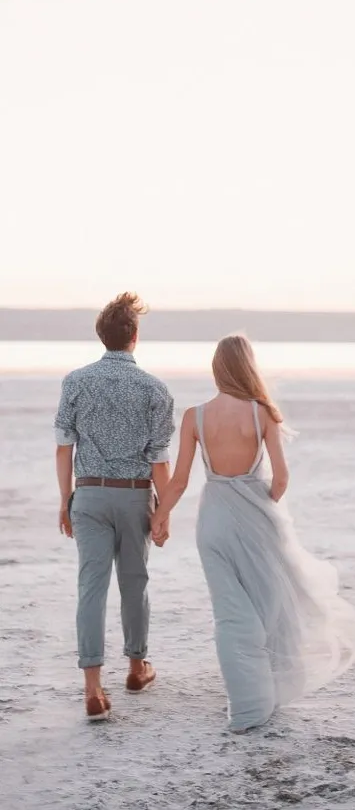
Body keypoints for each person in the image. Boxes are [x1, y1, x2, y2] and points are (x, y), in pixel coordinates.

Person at [151, 334, 355, 733]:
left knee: (230, 615)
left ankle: (245, 708)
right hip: (256, 519)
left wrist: (161, 516)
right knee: (270, 606)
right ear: (248, 367)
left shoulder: (194, 416)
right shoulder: (262, 413)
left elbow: (178, 481)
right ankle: (266, 698)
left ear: (217, 369)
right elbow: (281, 479)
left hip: (212, 520)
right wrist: (261, 503)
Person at [55, 292, 174, 721]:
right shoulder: (154, 388)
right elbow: (159, 460)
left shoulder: (75, 381)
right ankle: (137, 668)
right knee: (134, 584)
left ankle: (92, 687)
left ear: (101, 336)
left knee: (91, 587)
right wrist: (163, 514)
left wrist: (65, 500)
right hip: (135, 495)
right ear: (135, 337)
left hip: (87, 493)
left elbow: (63, 448)